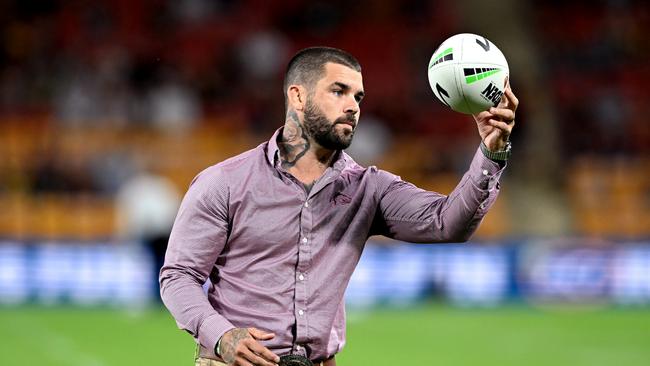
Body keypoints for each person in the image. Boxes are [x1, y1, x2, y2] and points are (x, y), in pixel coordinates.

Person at [160, 46, 518, 366]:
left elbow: (448, 223)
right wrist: (221, 336)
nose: (353, 106)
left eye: (359, 97)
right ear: (297, 97)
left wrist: (491, 151)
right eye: (339, 91)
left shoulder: (369, 188)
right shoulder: (224, 182)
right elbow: (178, 276)